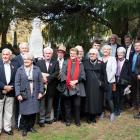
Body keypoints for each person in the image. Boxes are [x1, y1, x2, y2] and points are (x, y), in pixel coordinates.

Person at [15, 53, 44, 136]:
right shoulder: (19, 70)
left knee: (33, 112)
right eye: (24, 60)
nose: (26, 61)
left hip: (34, 93)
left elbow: (40, 82)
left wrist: (41, 92)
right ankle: (24, 129)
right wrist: (18, 94)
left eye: (28, 59)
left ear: (31, 61)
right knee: (24, 112)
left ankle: (31, 127)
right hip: (24, 94)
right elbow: (17, 83)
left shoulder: (37, 69)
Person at [61, 48, 86, 126]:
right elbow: (63, 74)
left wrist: (75, 81)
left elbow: (83, 76)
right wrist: (69, 82)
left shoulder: (80, 64)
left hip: (77, 87)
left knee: (77, 105)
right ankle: (68, 121)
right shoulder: (65, 62)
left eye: (74, 53)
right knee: (67, 105)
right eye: (71, 53)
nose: (72, 55)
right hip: (68, 86)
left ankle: (77, 121)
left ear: (77, 54)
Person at [36, 47, 59, 125]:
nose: (47, 55)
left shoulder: (55, 62)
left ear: (52, 54)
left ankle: (48, 118)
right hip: (41, 86)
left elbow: (56, 72)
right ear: (44, 54)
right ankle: (41, 119)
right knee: (42, 104)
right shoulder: (39, 62)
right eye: (46, 53)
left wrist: (48, 79)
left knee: (49, 103)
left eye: (49, 53)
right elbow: (37, 71)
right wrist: (42, 79)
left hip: (51, 86)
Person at [83, 48, 106, 123]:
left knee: (96, 101)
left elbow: (104, 75)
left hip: (97, 87)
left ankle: (93, 117)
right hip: (88, 86)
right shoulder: (85, 62)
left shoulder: (101, 63)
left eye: (93, 54)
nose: (91, 55)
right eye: (90, 54)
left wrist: (102, 83)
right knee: (88, 101)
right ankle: (88, 117)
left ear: (97, 55)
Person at [12, 42, 29, 129]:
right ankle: (18, 125)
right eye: (23, 48)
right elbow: (15, 74)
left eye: (26, 48)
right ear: (20, 49)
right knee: (19, 106)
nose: (24, 49)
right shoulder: (16, 59)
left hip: (29, 87)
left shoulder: (30, 58)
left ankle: (26, 124)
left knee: (27, 106)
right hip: (20, 86)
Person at [0, 48, 17, 135]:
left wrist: (11, 87)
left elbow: (16, 79)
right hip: (0, 92)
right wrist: (4, 87)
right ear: (2, 55)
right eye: (4, 54)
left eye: (7, 54)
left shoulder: (14, 65)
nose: (5, 56)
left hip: (10, 92)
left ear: (10, 56)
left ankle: (7, 128)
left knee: (9, 111)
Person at [101, 45, 117, 121]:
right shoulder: (100, 59)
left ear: (110, 51)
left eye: (107, 49)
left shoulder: (112, 59)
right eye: (104, 49)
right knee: (102, 98)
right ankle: (102, 112)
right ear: (102, 51)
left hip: (109, 81)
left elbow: (114, 71)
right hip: (101, 81)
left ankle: (112, 113)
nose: (106, 51)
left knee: (109, 98)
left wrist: (108, 80)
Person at [115, 47, 131, 116]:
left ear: (124, 54)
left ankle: (120, 109)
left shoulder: (127, 62)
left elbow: (130, 73)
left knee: (122, 95)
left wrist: (129, 84)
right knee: (116, 95)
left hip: (123, 81)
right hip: (115, 80)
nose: (119, 54)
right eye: (118, 53)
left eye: (121, 53)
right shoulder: (115, 60)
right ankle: (116, 108)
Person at [131, 40, 140, 119]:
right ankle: (135, 106)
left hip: (139, 76)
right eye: (135, 46)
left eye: (138, 45)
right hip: (133, 75)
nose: (137, 47)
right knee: (134, 91)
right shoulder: (133, 54)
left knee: (138, 92)